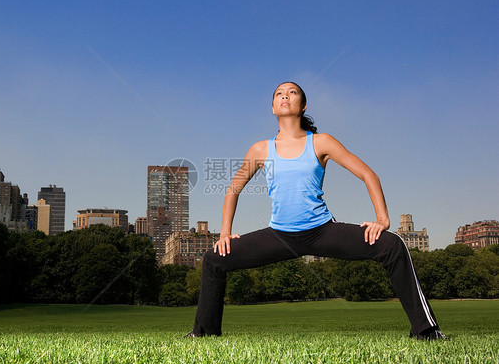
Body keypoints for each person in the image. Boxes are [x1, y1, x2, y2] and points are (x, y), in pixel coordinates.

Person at [185, 82, 446, 340]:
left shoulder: (321, 142)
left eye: (292, 92)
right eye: (279, 94)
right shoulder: (261, 149)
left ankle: (426, 331)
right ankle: (204, 333)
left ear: (303, 104)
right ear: (273, 107)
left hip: (322, 231)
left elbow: (368, 174)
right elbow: (233, 189)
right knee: (214, 258)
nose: (285, 96)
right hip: (279, 236)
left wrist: (382, 219)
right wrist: (225, 234)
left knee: (392, 245)